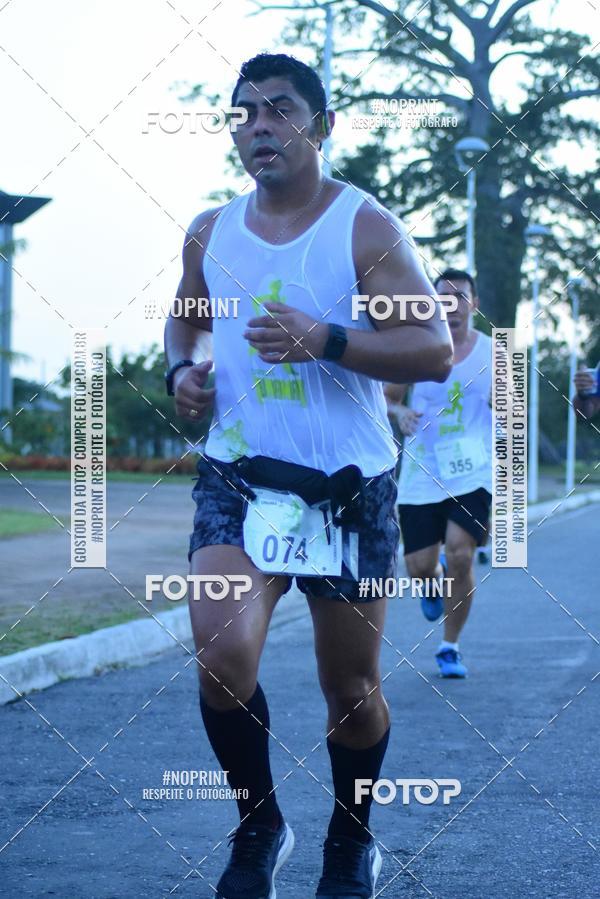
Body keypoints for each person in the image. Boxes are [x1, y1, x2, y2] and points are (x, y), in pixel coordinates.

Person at [164, 53, 452, 899]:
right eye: (244, 113)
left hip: (348, 488)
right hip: (239, 475)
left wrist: (324, 339)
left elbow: (433, 348)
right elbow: (186, 322)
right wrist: (184, 371)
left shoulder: (366, 229)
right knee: (221, 655)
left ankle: (350, 839)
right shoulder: (210, 231)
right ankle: (259, 827)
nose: (260, 126)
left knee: (351, 689)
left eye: (280, 110)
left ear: (321, 126)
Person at [386, 269, 492, 679]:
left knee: (461, 555)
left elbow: (514, 414)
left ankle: (450, 647)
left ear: (474, 304)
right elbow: (387, 399)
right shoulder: (416, 349)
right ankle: (431, 583)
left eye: (460, 296)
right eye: (443, 297)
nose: (452, 305)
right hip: (422, 474)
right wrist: (400, 413)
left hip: (473, 472)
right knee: (418, 566)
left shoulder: (495, 353)